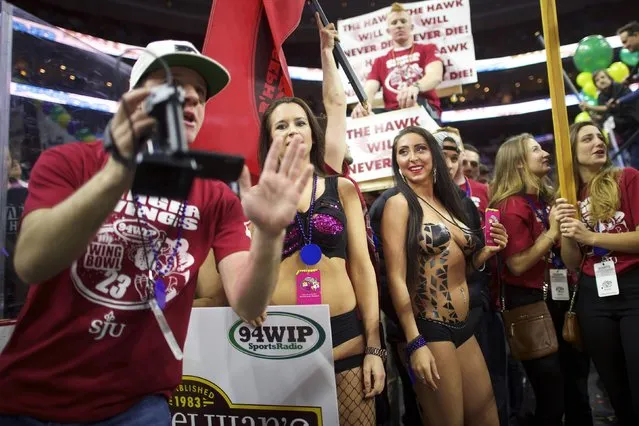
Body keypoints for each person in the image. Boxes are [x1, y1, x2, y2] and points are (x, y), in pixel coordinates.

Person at [0, 40, 313, 425]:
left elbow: (248, 305)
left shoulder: (216, 195)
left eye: (200, 95)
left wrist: (268, 234)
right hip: (32, 399)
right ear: (136, 97)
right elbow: (31, 263)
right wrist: (119, 173)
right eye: (176, 86)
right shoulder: (71, 162)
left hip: (137, 407)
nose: (192, 101)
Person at [247, 16, 385, 426]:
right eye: (281, 125)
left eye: (300, 122)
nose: (292, 130)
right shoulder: (256, 199)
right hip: (278, 342)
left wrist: (375, 346)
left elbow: (362, 267)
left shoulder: (338, 187)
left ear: (313, 131)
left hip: (347, 339)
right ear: (270, 138)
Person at [381, 126, 507, 426]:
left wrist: (486, 252)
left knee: (486, 414)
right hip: (429, 328)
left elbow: (462, 263)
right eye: (404, 151)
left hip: (464, 326)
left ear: (434, 155)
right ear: (396, 161)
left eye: (420, 149)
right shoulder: (398, 205)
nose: (413, 157)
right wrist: (414, 342)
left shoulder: (448, 201)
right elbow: (396, 279)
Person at [490, 134, 592, 426]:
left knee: (575, 385)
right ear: (519, 163)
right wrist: (552, 232)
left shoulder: (545, 199)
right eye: (536, 149)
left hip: (559, 296)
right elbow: (518, 264)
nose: (545, 153)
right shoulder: (512, 206)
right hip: (531, 304)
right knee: (551, 397)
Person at [556, 121, 639, 426]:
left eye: (600, 137)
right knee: (614, 387)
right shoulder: (568, 194)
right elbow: (573, 261)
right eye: (587, 139)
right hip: (594, 295)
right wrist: (565, 231)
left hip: (634, 286)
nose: (598, 142)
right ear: (572, 151)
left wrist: (592, 237)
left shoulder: (627, 178)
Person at [351, 2, 444, 120]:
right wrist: (363, 104)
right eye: (394, 23)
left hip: (424, 106)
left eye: (403, 21)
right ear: (388, 31)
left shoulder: (427, 49)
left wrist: (415, 87)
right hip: (395, 113)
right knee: (364, 115)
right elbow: (369, 88)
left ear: (411, 27)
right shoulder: (380, 61)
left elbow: (435, 76)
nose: (399, 25)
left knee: (413, 105)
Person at [579, 70, 639, 168]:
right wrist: (591, 114)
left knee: (635, 162)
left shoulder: (619, 87)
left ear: (609, 78)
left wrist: (590, 107)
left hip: (635, 127)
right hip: (625, 135)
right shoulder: (601, 97)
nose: (601, 81)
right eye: (597, 80)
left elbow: (610, 107)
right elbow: (604, 118)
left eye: (603, 77)